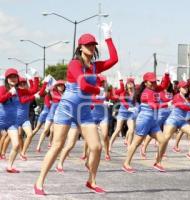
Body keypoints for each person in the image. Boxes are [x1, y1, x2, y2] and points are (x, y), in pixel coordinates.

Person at [34, 23, 118, 195]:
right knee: (57, 145)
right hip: (67, 108)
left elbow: (114, 59)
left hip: (84, 110)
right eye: (88, 44)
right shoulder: (74, 63)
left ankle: (91, 181)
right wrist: (97, 90)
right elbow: (82, 83)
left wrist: (108, 37)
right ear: (80, 47)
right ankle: (39, 183)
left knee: (96, 147)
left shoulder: (95, 66)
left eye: (93, 44)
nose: (91, 47)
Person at [122, 71, 170, 173]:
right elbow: (153, 105)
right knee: (136, 143)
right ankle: (126, 163)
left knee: (163, 140)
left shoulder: (155, 88)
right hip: (144, 120)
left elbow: (165, 85)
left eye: (154, 81)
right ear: (145, 83)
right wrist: (167, 104)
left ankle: (158, 162)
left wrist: (166, 75)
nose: (153, 84)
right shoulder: (145, 94)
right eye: (151, 82)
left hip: (152, 120)